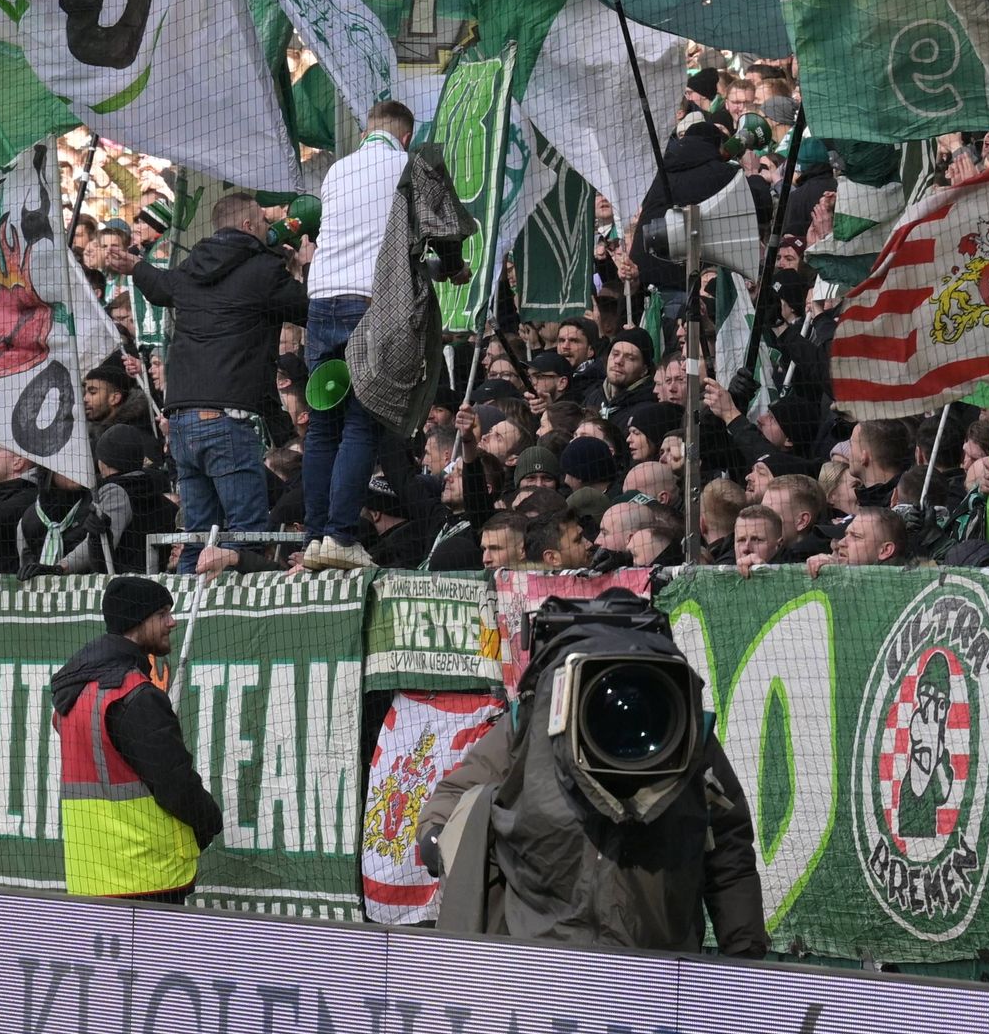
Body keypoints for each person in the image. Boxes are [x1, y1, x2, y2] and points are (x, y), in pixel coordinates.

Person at [418, 587, 765, 955]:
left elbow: (728, 845)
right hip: (567, 966)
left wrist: (744, 959)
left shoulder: (683, 729)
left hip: (635, 969)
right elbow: (730, 849)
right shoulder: (532, 724)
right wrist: (441, 839)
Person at [134, 186, 309, 539]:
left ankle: (183, 595)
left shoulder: (190, 268)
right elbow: (307, 309)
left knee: (197, 535)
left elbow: (159, 287)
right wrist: (306, 266)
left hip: (181, 420)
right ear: (248, 225)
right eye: (262, 220)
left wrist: (135, 267)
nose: (267, 225)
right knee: (247, 533)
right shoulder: (263, 270)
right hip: (226, 421)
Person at [50, 575, 220, 900]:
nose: (172, 622)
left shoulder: (73, 696)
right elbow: (175, 783)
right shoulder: (135, 695)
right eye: (161, 615)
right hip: (148, 878)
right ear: (137, 621)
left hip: (89, 877)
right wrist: (210, 821)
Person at [298, 103, 415, 562]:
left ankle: (313, 538)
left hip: (321, 302)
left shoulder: (336, 172)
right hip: (370, 303)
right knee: (361, 424)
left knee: (322, 427)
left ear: (368, 131)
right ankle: (342, 537)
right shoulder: (408, 166)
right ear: (405, 137)